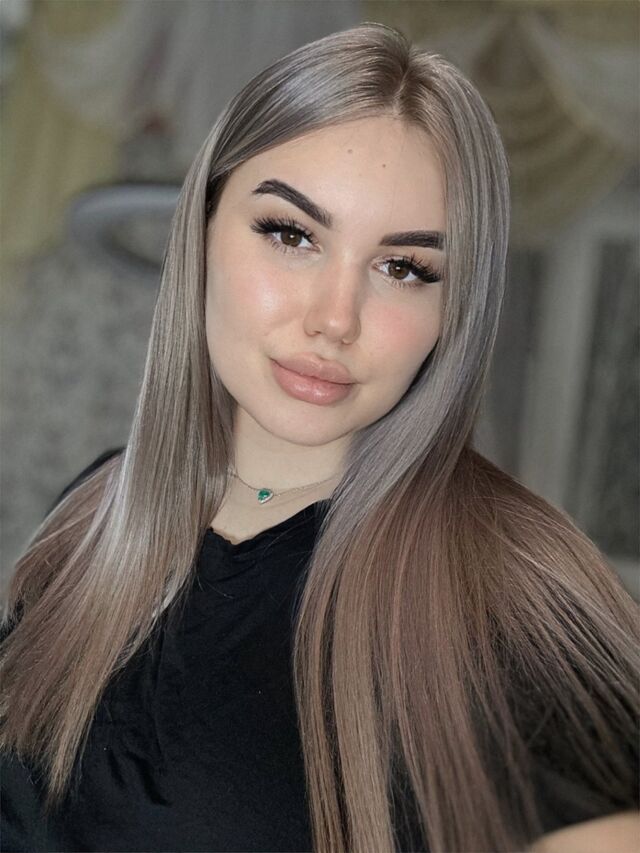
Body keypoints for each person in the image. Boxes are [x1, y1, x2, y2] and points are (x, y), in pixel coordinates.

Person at [0, 21, 638, 853]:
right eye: (291, 234)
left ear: (454, 309)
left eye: (404, 268)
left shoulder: (505, 577)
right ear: (201, 230)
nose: (335, 319)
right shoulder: (99, 506)